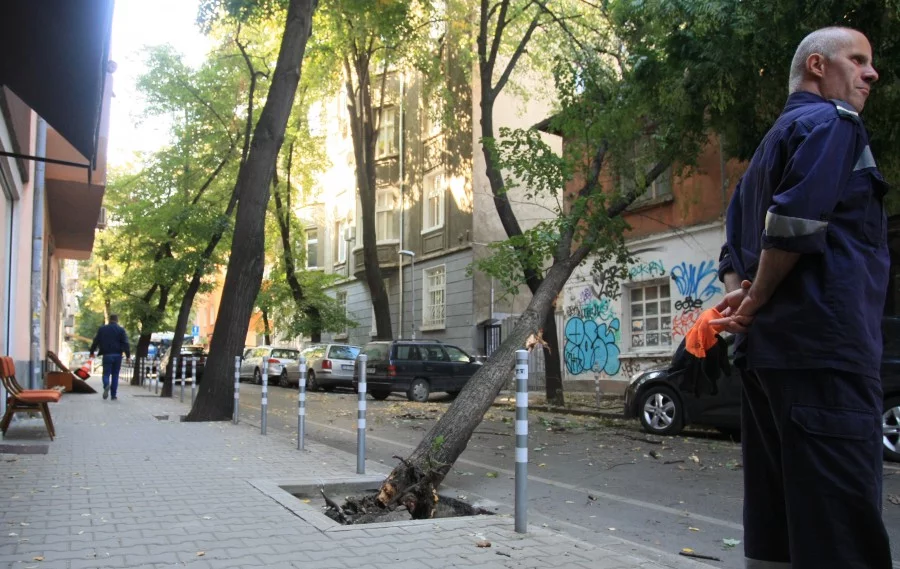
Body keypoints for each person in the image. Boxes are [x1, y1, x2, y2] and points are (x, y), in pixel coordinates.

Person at [711, 27, 892, 567]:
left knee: (776, 525)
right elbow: (796, 220)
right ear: (818, 65)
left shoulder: (759, 161)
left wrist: (738, 297)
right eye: (858, 60)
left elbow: (730, 252)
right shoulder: (835, 125)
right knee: (840, 530)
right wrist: (757, 297)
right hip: (825, 352)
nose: (871, 73)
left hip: (767, 362)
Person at [89, 314, 131, 401]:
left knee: (106, 374)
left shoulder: (102, 329)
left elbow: (96, 341)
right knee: (115, 375)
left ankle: (106, 385)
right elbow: (126, 343)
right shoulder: (121, 330)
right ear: (117, 320)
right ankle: (113, 395)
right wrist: (128, 356)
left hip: (107, 355)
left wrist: (92, 352)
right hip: (117, 356)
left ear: (109, 320)